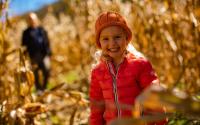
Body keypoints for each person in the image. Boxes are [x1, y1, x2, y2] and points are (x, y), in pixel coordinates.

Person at [89, 11, 166, 125]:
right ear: (99, 43)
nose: (112, 43)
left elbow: (154, 99)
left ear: (126, 38)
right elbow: (97, 108)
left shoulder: (140, 65)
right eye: (105, 39)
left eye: (117, 37)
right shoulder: (98, 72)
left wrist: (161, 122)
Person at [22, 12, 51, 91]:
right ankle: (39, 90)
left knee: (47, 71)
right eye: (30, 19)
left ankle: (44, 88)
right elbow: (24, 46)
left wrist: (49, 52)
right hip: (33, 56)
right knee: (35, 74)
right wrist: (25, 58)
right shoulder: (26, 33)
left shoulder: (41, 30)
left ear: (36, 19)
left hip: (44, 54)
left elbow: (47, 41)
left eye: (33, 18)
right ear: (28, 21)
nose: (32, 20)